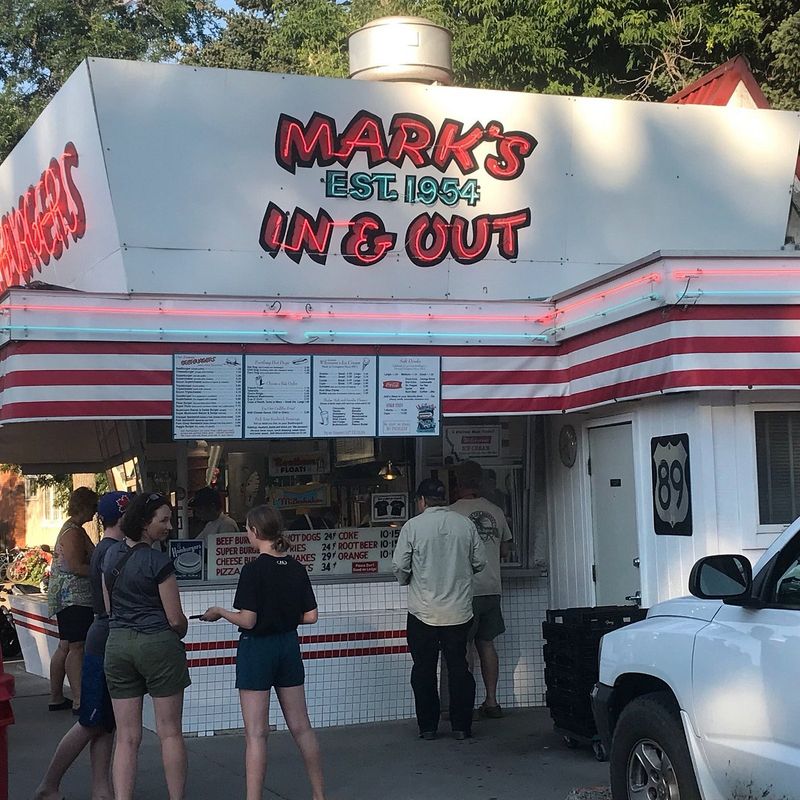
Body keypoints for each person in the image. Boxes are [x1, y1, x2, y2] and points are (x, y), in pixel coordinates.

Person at [200, 504, 326, 800]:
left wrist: (219, 611)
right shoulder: (296, 568)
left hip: (257, 649)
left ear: (255, 531)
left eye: (247, 529)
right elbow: (311, 616)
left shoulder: (253, 570)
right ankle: (320, 795)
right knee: (302, 727)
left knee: (256, 733)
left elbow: (248, 620)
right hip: (288, 646)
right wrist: (282, 616)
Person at [35, 491, 133, 800]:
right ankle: (48, 785)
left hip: (100, 633)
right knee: (91, 720)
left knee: (103, 722)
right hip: (99, 634)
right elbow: (86, 572)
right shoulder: (110, 551)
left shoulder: (105, 547)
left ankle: (100, 789)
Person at [102, 492, 190, 800]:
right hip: (157, 645)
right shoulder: (158, 561)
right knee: (169, 732)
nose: (169, 526)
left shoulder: (109, 556)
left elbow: (109, 608)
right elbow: (175, 618)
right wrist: (182, 628)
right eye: (163, 520)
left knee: (126, 736)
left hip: (117, 647)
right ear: (143, 523)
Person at [392, 478, 486, 740]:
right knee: (459, 668)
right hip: (458, 612)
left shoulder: (413, 527)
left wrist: (408, 580)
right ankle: (461, 726)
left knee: (423, 669)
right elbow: (480, 562)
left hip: (423, 612)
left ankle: (428, 727)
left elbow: (400, 566)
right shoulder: (465, 524)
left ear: (421, 501)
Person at [450, 461, 513, 718]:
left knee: (464, 648)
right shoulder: (495, 511)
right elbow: (506, 551)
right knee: (486, 644)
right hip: (492, 587)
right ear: (480, 481)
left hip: (465, 591)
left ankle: (465, 703)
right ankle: (491, 701)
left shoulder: (451, 514)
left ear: (457, 482)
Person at [47, 486, 99, 713]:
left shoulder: (73, 529)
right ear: (85, 506)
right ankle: (79, 699)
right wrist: (101, 572)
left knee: (66, 645)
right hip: (74, 597)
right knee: (77, 646)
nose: (96, 512)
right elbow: (76, 566)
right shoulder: (73, 532)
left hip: (65, 597)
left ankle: (57, 697)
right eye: (94, 507)